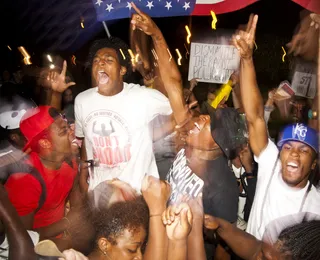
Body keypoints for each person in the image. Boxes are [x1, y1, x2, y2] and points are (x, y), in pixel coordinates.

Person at [130, 4, 243, 259]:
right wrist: (156, 34)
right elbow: (172, 83)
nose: (201, 118)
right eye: (207, 115)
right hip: (158, 237)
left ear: (218, 145)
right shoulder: (188, 136)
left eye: (209, 123)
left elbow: (224, 245)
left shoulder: (223, 188)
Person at [231, 14, 320, 240]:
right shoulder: (271, 162)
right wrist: (247, 58)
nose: (294, 154)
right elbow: (255, 118)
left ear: (314, 163)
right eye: (288, 147)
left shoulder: (316, 208)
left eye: (304, 150)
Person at [74, 37, 173, 192]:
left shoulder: (143, 97)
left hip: (137, 194)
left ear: (122, 70)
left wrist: (154, 134)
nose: (100, 63)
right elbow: (87, 140)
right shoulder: (82, 101)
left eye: (108, 60)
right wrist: (82, 177)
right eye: (96, 60)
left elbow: (177, 113)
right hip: (100, 194)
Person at [2, 105, 79, 247]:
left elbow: (74, 194)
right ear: (45, 143)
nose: (72, 132)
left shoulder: (69, 160)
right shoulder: (25, 181)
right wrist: (66, 224)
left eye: (68, 126)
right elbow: (21, 237)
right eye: (64, 131)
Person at [204, 213, 320, 260]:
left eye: (265, 258)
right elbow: (253, 248)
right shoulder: (274, 252)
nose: (258, 258)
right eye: (262, 253)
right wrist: (218, 225)